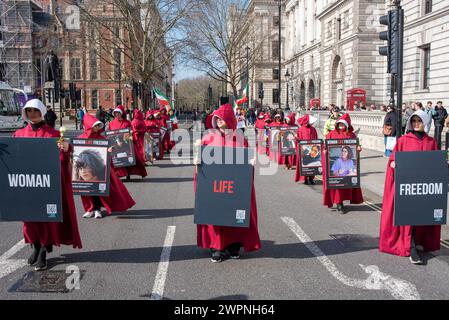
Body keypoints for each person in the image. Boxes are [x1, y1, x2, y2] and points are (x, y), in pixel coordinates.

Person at [13, 99, 82, 271]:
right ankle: (35, 246)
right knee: (29, 218)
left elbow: (62, 160)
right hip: (27, 184)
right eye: (29, 111)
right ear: (26, 113)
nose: (33, 114)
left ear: (42, 112)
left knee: (45, 219)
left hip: (47, 184)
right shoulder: (19, 134)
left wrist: (66, 148)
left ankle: (43, 249)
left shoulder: (53, 134)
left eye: (36, 111)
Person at [195, 103, 261, 262]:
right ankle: (216, 247)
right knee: (215, 214)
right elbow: (201, 161)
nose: (218, 121)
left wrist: (250, 163)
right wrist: (197, 158)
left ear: (229, 120)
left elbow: (246, 162)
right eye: (216, 119)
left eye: (221, 118)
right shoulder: (209, 137)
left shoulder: (240, 139)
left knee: (236, 213)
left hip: (234, 185)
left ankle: (233, 246)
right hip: (214, 185)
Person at [379, 110, 440, 264]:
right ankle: (410, 246)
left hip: (423, 188)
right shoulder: (403, 140)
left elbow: (435, 164)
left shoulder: (431, 142)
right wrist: (394, 164)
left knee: (421, 215)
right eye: (414, 121)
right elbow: (393, 159)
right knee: (408, 216)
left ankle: (418, 241)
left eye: (419, 121)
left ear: (425, 122)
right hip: (406, 188)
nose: (416, 124)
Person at [79, 113, 135, 219]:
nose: (96, 128)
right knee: (86, 191)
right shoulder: (81, 138)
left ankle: (97, 209)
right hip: (85, 170)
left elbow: (107, 151)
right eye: (94, 126)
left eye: (97, 126)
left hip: (98, 169)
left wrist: (109, 151)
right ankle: (90, 208)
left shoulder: (102, 138)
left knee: (97, 190)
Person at [322, 113, 364, 214]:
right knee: (337, 183)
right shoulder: (331, 134)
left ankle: (343, 201)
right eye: (339, 124)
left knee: (346, 183)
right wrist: (325, 150)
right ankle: (339, 203)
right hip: (337, 163)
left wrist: (358, 149)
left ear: (347, 125)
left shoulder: (352, 135)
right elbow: (325, 145)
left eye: (343, 124)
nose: (341, 126)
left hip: (348, 163)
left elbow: (355, 148)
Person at [108, 105, 147, 180]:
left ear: (122, 113)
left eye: (118, 113)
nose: (117, 115)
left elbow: (130, 131)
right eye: (115, 113)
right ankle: (118, 175)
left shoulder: (127, 122)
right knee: (116, 159)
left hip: (126, 144)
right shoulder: (111, 123)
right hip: (116, 144)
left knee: (131, 158)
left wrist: (131, 134)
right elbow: (110, 134)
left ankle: (129, 173)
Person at [295, 114, 318, 184]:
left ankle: (311, 178)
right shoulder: (300, 129)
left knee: (312, 164)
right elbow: (297, 139)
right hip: (304, 149)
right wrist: (297, 139)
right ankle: (304, 178)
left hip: (312, 149)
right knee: (304, 164)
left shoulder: (313, 129)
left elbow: (316, 138)